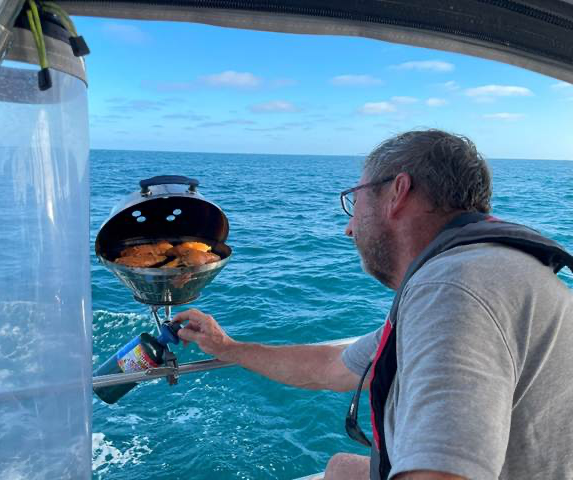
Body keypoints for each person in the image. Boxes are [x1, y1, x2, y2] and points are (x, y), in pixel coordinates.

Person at [173, 129, 573, 480]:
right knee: (340, 468)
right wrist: (228, 348)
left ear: (398, 192)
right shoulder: (487, 269)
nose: (349, 227)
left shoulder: (453, 289)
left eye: (354, 200)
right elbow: (331, 367)